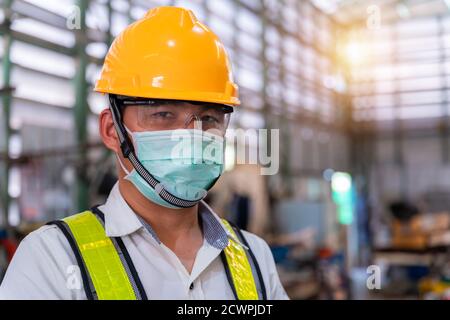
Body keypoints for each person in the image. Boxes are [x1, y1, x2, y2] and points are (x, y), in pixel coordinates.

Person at [0, 6, 288, 300]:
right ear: (112, 130)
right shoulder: (52, 260)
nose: (190, 135)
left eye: (209, 118)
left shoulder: (255, 259)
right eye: (163, 114)